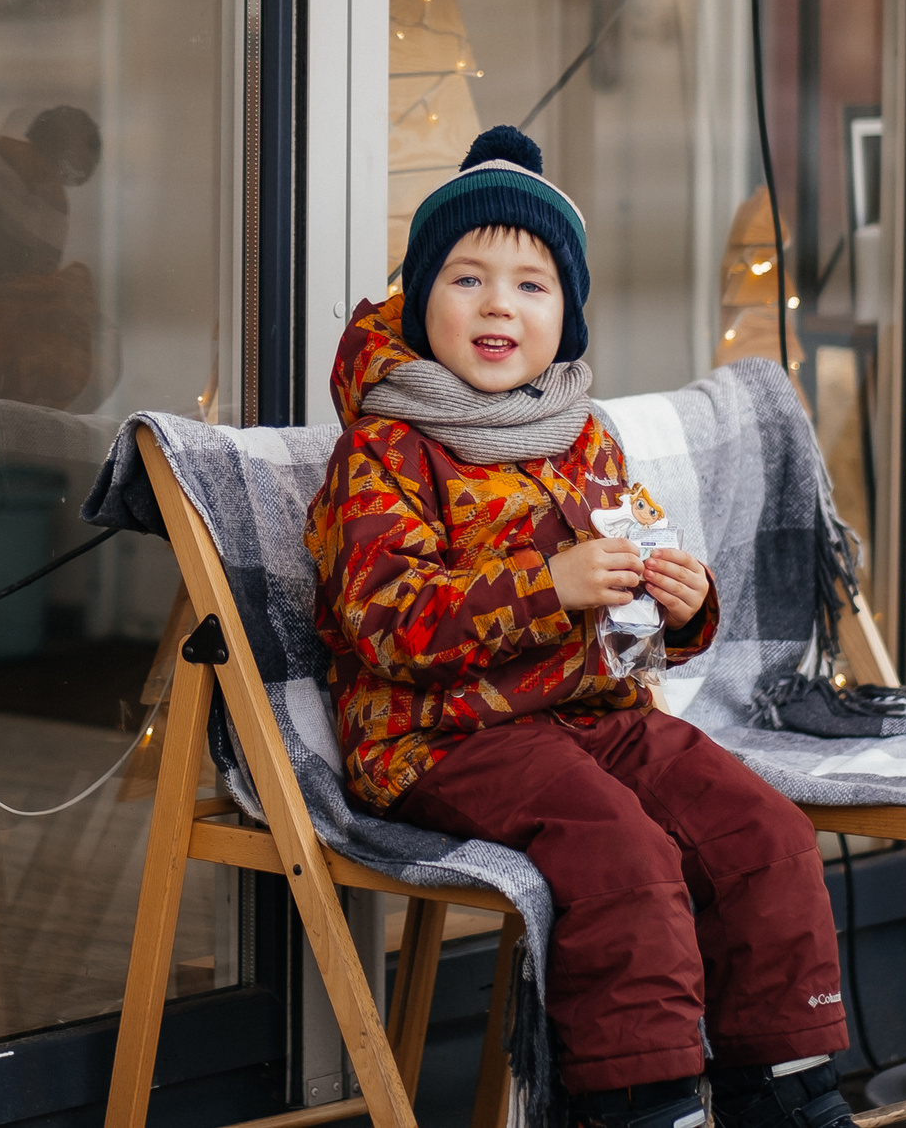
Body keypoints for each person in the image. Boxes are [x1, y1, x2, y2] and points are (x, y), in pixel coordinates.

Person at [304, 126, 849, 1128]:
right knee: (622, 851)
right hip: (446, 736)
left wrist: (680, 609)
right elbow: (385, 624)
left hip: (594, 715)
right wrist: (548, 583)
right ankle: (642, 1102)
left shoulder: (583, 437)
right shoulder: (387, 448)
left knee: (760, 829)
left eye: (530, 284)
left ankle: (782, 1081)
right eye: (466, 279)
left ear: (567, 316)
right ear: (421, 299)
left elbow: (626, 614)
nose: (497, 304)